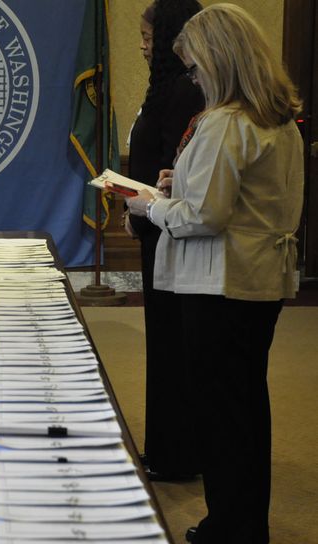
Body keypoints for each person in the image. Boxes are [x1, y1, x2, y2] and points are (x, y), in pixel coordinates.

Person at [125, 4, 304, 543]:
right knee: (245, 407)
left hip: (219, 283)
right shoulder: (275, 116)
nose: (194, 79)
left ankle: (231, 527)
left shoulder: (225, 121)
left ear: (218, 61)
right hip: (258, 278)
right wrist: (182, 181)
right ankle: (245, 522)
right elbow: (247, 199)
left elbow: (204, 217)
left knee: (222, 415)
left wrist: (148, 205)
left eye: (196, 68)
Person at [125, 0, 203, 481]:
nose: (142, 46)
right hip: (155, 223)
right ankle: (166, 448)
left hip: (170, 229)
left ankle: (176, 455)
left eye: (149, 38)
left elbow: (182, 174)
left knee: (174, 347)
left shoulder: (182, 93)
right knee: (164, 345)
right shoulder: (168, 89)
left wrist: (143, 205)